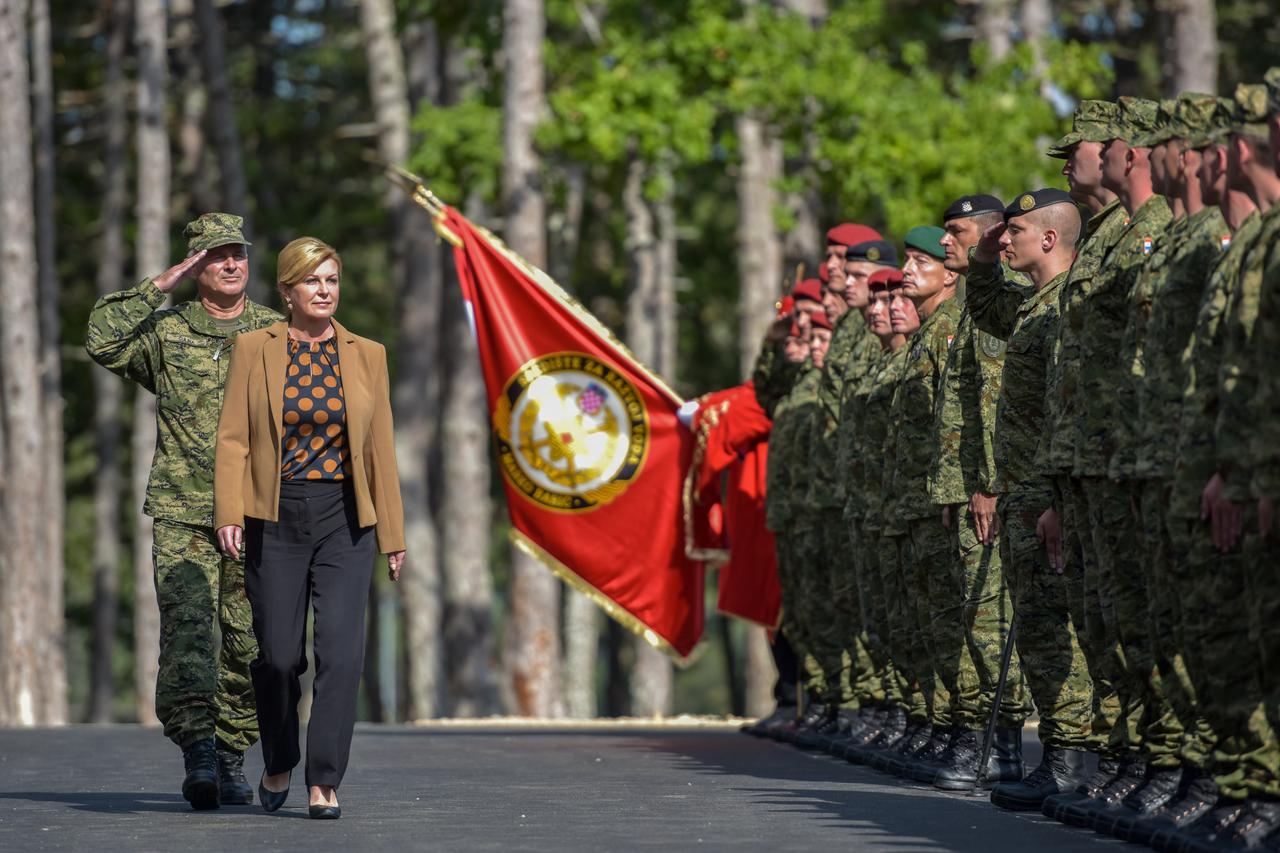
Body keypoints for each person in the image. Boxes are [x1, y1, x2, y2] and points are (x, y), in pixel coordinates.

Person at [86, 212, 279, 810]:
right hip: (184, 508)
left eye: (238, 254)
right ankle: (197, 751)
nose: (229, 264)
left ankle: (230, 753)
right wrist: (159, 286)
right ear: (196, 265)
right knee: (190, 635)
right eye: (215, 256)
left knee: (251, 642)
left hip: (256, 512)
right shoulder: (167, 334)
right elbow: (103, 338)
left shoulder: (275, 331)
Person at [213, 236, 406, 819]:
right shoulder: (255, 348)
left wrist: (393, 536)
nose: (325, 291)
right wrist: (228, 513)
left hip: (346, 520)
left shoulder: (367, 354)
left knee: (343, 654)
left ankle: (324, 779)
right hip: (275, 514)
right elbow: (234, 439)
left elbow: (380, 450)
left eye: (332, 281)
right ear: (288, 290)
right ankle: (277, 758)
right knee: (276, 656)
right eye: (313, 281)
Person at [965, 190, 1095, 812]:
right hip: (1025, 490)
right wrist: (987, 258)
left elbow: (1068, 410)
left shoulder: (1066, 304)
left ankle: (1071, 758)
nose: (1004, 238)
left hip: (1046, 489)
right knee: (1040, 630)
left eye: (1013, 231)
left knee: (1052, 627)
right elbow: (986, 306)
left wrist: (1055, 498)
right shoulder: (1033, 304)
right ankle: (1060, 758)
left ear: (1048, 239)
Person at [928, 196, 1033, 791]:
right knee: (974, 614)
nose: (947, 242)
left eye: (956, 232)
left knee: (990, 617)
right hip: (970, 487)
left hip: (995, 489)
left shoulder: (997, 306)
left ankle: (1003, 748)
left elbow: (994, 406)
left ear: (989, 235)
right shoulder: (970, 307)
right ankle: (988, 743)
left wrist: (988, 486)